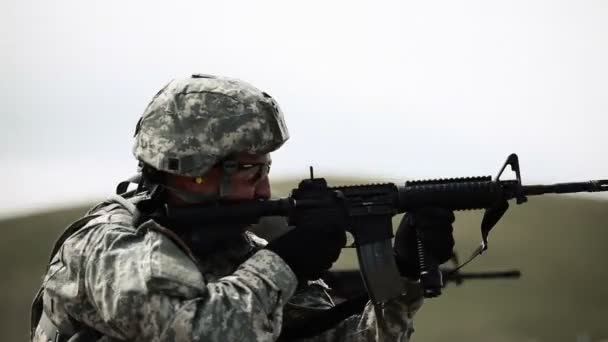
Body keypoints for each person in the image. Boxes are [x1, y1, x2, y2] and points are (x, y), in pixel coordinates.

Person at [31, 74, 455, 342]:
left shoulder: (237, 252)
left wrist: (400, 276)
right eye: (252, 170)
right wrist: (287, 261)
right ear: (194, 170)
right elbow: (199, 332)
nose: (265, 189)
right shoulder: (107, 246)